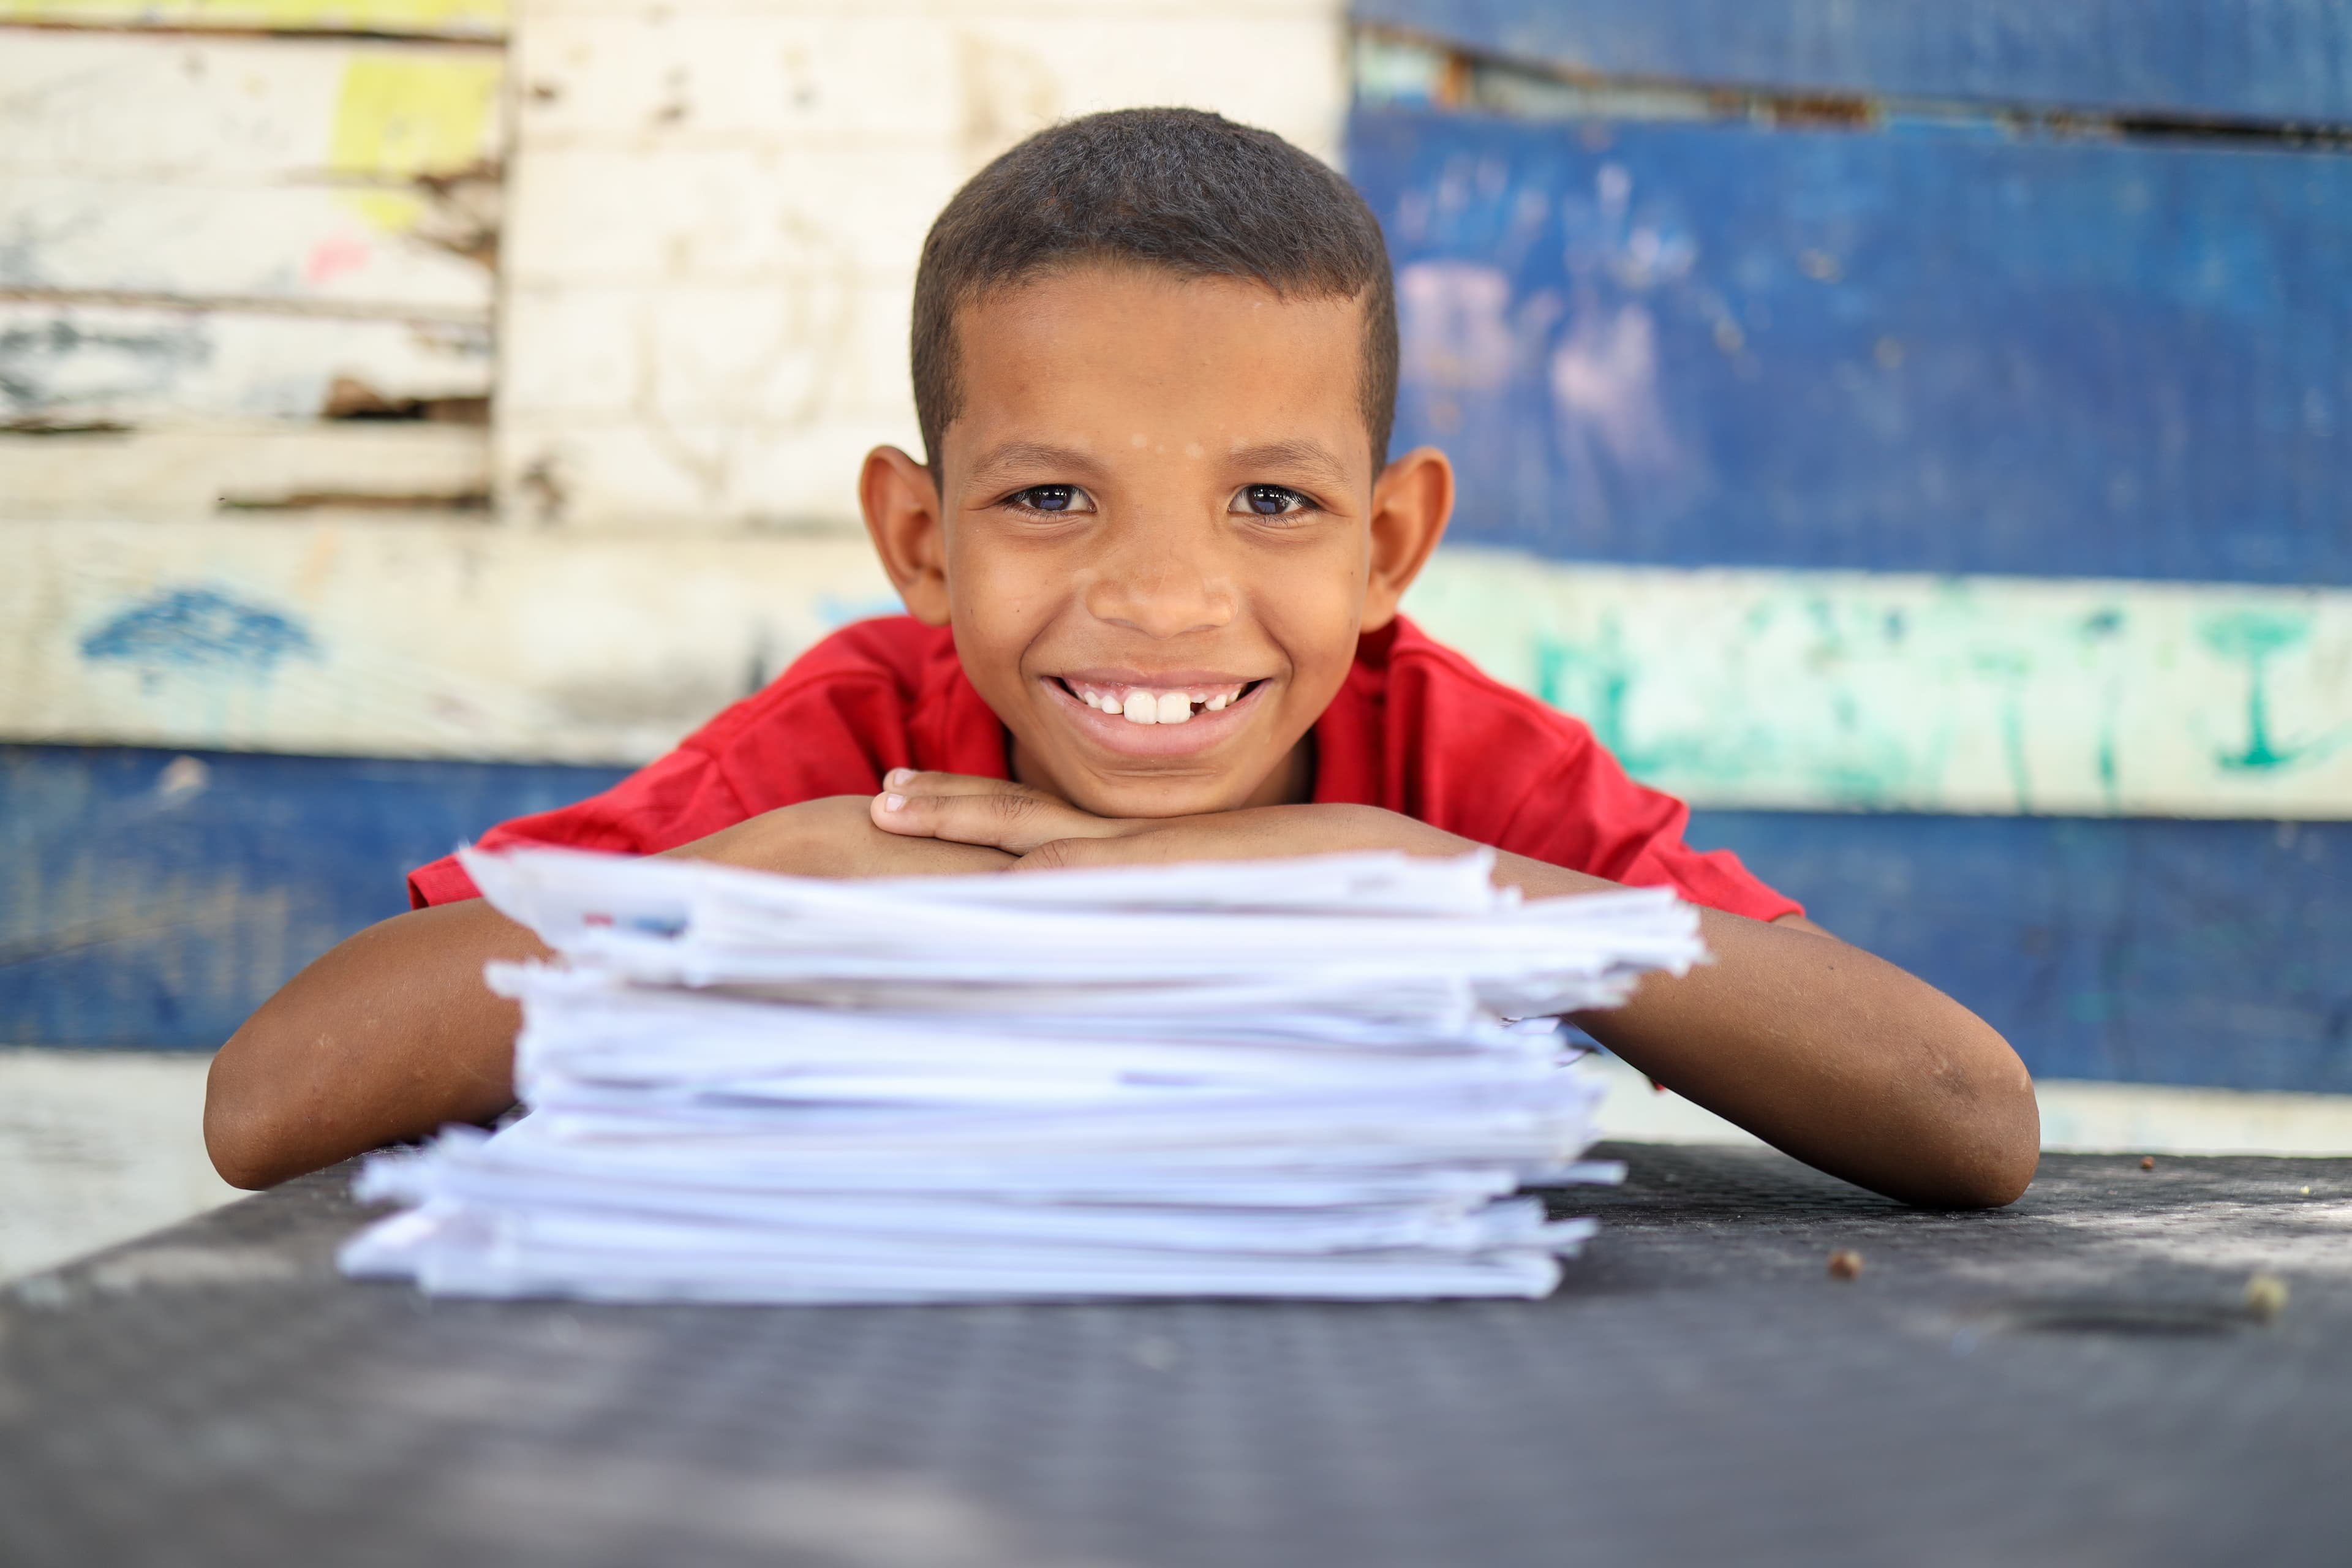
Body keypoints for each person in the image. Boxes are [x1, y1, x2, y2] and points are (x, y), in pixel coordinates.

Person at [205, 108, 2038, 1206]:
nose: (1164, 605)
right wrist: (777, 875)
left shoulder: (1452, 774)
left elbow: (1968, 1120)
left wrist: (1427, 882)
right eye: (1056, 498)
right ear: (922, 541)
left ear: (1389, 542)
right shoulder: (865, 749)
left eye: (1269, 505)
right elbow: (269, 1103)